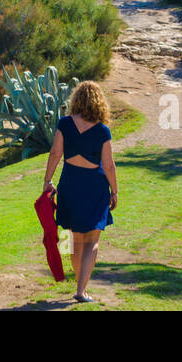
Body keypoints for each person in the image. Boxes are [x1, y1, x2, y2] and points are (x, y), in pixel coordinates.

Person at [42, 81, 116, 303]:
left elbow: (55, 153)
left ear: (76, 99)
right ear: (99, 103)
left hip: (69, 182)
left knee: (73, 237)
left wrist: (47, 180)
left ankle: (79, 284)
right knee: (92, 239)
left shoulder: (64, 123)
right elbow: (109, 165)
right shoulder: (103, 131)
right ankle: (81, 290)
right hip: (94, 185)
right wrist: (115, 191)